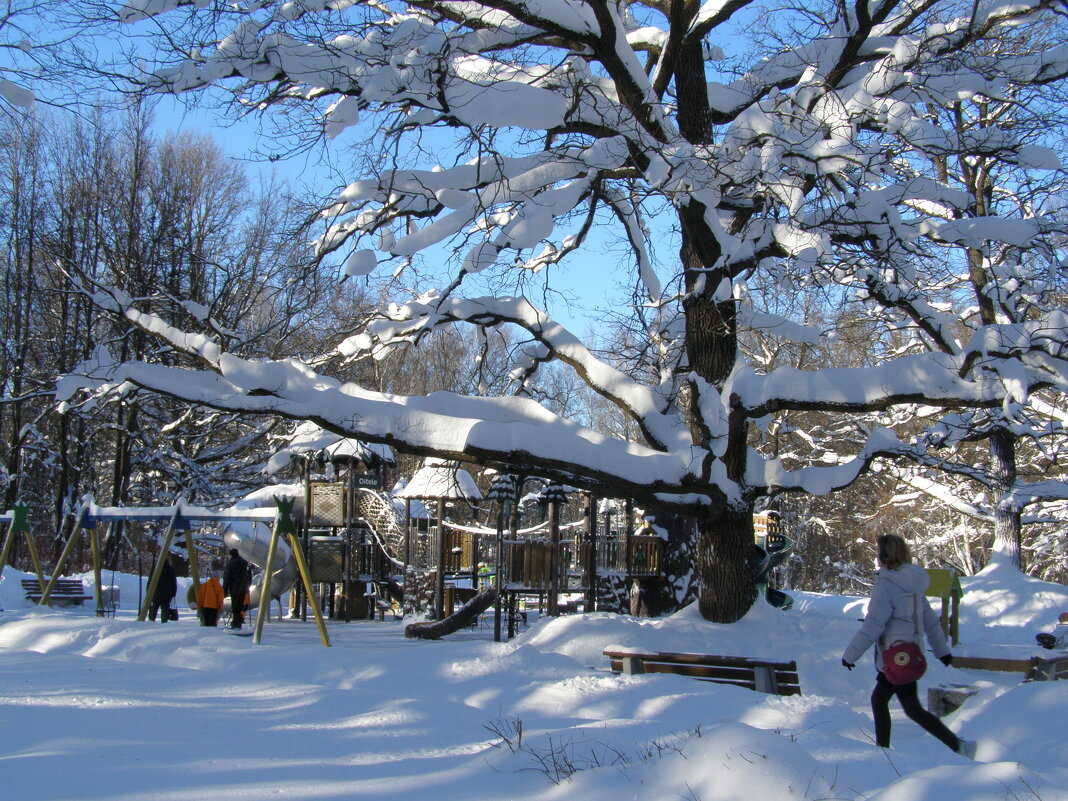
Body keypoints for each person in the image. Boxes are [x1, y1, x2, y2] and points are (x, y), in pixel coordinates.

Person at [842, 534, 976, 758]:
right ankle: (885, 750)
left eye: (878, 552)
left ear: (885, 555)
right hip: (910, 653)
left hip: (894, 657)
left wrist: (850, 655)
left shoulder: (886, 586)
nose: (876, 556)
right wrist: (942, 652)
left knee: (910, 708)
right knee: (882, 700)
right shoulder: (913, 582)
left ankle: (955, 745)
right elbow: (930, 620)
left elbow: (874, 625)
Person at [223, 548, 252, 630]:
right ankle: (238, 622)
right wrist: (247, 586)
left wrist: (224, 591)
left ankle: (236, 623)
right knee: (239, 606)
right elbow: (249, 576)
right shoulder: (245, 563)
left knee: (235, 606)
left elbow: (227, 578)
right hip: (243, 588)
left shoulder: (230, 564)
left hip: (234, 589)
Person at [149, 554, 178, 623]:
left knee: (154, 608)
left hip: (156, 592)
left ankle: (151, 620)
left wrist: (149, 592)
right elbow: (173, 582)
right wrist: (173, 593)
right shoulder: (170, 569)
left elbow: (150, 580)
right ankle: (164, 622)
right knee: (165, 609)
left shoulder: (155, 568)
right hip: (167, 593)